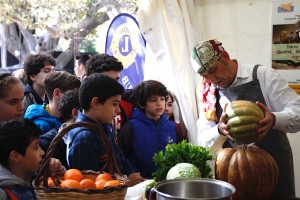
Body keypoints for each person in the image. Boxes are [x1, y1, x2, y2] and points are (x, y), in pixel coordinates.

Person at [191, 39, 300, 198]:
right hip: (235, 174)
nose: (212, 79)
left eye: (214, 70)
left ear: (225, 56)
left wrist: (274, 119)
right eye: (205, 75)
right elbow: (202, 142)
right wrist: (219, 130)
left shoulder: (262, 76)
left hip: (274, 168)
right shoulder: (208, 93)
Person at [66, 73, 144, 186]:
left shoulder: (105, 125)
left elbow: (118, 156)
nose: (118, 110)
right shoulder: (84, 139)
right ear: (96, 103)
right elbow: (90, 186)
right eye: (115, 104)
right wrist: (125, 182)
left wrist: (131, 174)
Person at [117, 80, 178, 178]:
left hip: (168, 182)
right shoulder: (130, 127)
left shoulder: (172, 126)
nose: (159, 104)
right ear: (141, 104)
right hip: (140, 184)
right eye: (153, 100)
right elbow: (120, 156)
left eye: (162, 99)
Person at [0, 119, 65, 200]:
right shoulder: (3, 193)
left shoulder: (35, 175)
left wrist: (60, 173)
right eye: (36, 147)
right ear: (15, 157)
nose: (42, 152)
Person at [85, 53, 134, 134]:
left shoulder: (127, 103)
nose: (115, 85)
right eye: (108, 81)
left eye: (117, 80)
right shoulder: (77, 110)